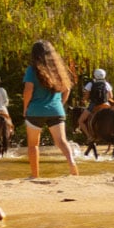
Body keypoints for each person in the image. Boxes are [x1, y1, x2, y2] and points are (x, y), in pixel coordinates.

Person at [24, 39, 79, 177]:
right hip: (56, 110)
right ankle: (72, 165)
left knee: (33, 144)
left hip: (35, 110)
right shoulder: (58, 70)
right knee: (61, 141)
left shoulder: (32, 70)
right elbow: (67, 89)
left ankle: (35, 175)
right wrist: (60, 103)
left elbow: (28, 89)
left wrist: (25, 107)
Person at [76, 69, 113, 136]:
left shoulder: (90, 84)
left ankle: (89, 136)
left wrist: (84, 100)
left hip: (94, 104)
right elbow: (111, 96)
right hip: (106, 103)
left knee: (80, 121)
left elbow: (86, 96)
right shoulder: (106, 84)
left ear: (95, 75)